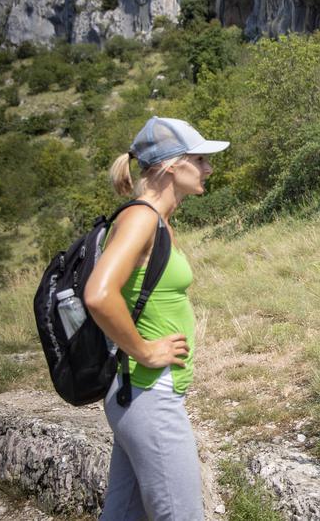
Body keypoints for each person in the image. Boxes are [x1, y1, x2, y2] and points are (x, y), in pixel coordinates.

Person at [84, 116, 229, 521]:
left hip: (141, 396)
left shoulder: (156, 220)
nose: (208, 168)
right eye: (199, 159)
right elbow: (98, 294)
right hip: (149, 395)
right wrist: (145, 351)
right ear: (169, 166)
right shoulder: (142, 218)